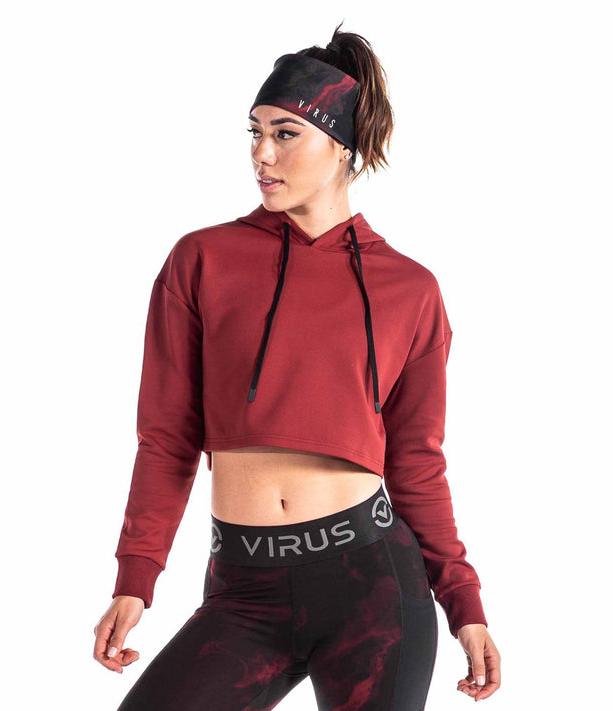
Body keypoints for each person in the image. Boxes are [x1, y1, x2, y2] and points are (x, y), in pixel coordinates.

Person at [94, 23, 501, 710]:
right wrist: (137, 576)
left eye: (286, 133)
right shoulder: (202, 260)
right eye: (254, 132)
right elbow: (166, 436)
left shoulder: (411, 289)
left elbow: (417, 461)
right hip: (243, 589)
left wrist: (465, 602)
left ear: (343, 145)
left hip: (373, 586)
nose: (261, 153)